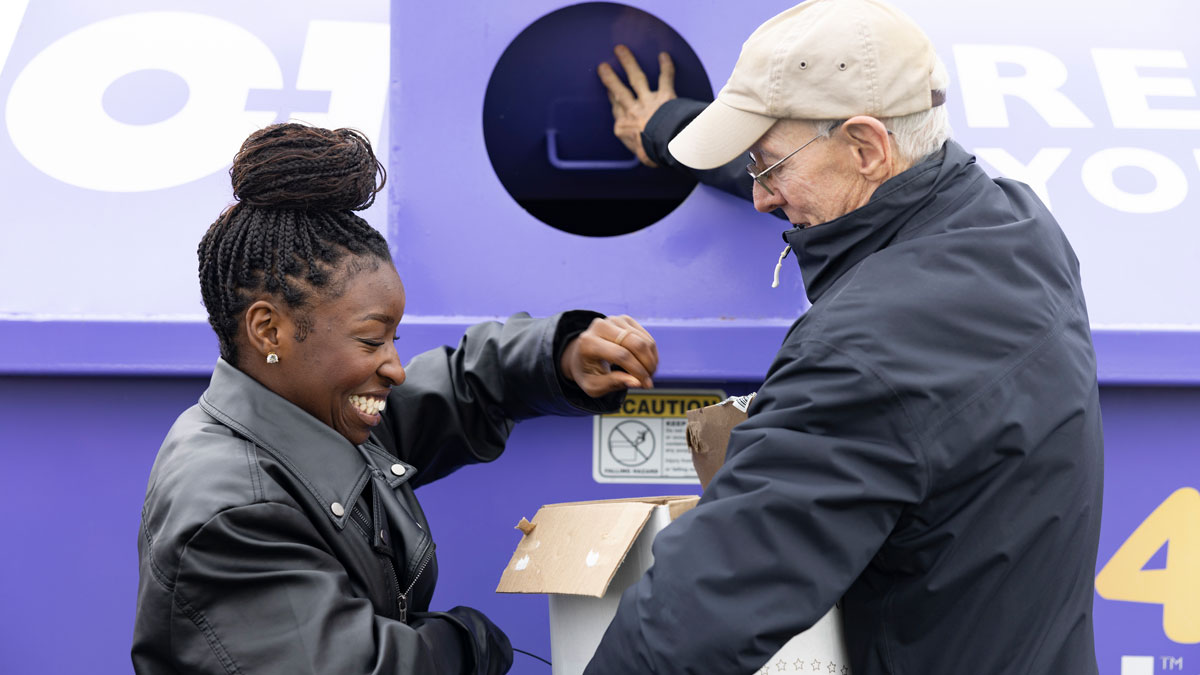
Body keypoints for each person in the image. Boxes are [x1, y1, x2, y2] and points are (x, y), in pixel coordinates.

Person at [588, 0, 1104, 673]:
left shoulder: (865, 351)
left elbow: (694, 618)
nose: (761, 199)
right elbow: (849, 167)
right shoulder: (1018, 226)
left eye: (767, 167)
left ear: (866, 147)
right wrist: (665, 128)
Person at [131, 123, 659, 674]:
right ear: (269, 331)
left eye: (394, 340)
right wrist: (466, 643)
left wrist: (561, 357)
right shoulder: (233, 509)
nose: (394, 368)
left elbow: (458, 388)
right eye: (370, 340)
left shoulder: (315, 417)